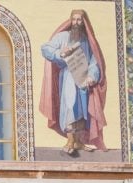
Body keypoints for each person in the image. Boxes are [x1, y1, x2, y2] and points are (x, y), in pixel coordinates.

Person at [39, 9, 109, 156]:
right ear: (70, 20)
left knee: (83, 110)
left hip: (83, 80)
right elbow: (46, 48)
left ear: (84, 22)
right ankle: (70, 140)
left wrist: (92, 76)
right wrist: (60, 53)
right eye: (74, 19)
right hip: (69, 78)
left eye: (80, 20)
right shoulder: (63, 36)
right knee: (70, 106)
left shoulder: (88, 41)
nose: (77, 23)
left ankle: (78, 142)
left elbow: (94, 61)